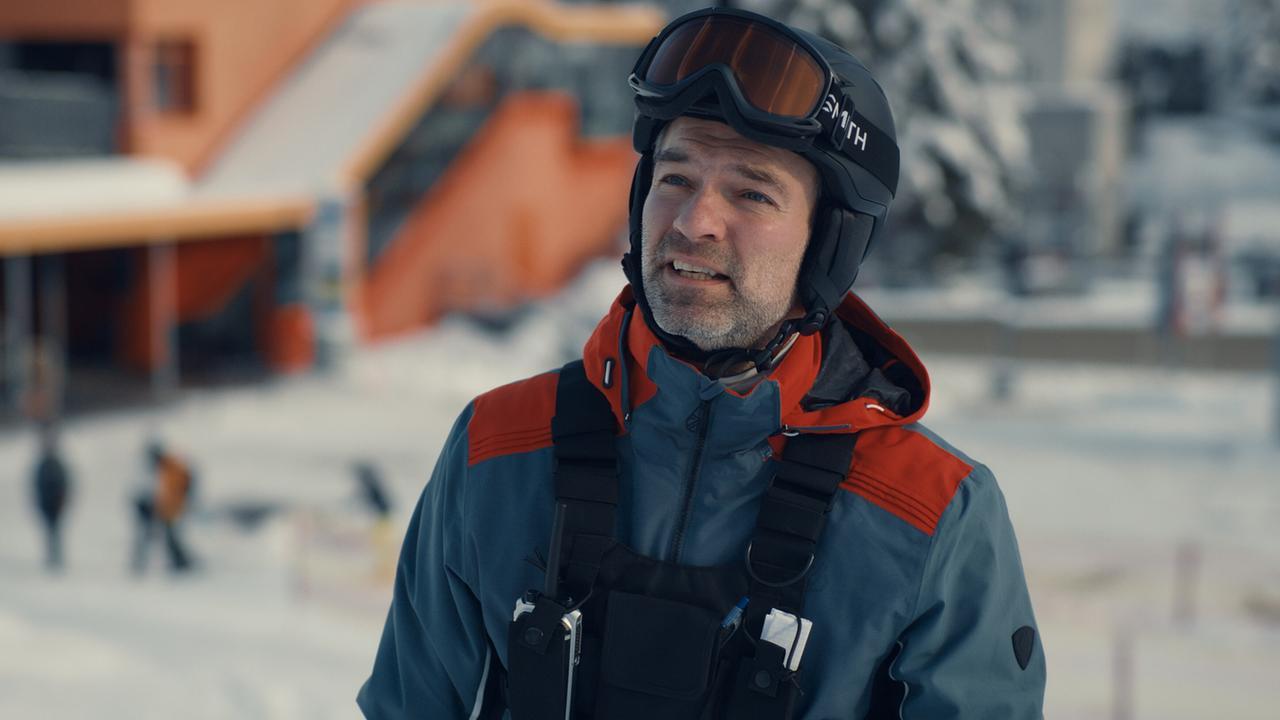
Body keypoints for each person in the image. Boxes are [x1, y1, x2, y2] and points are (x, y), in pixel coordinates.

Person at [359, 7, 1045, 719]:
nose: (693, 221)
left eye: (752, 192)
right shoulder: (497, 450)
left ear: (827, 244)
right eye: (675, 178)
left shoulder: (931, 511)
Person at [131, 441, 197, 574]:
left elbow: (178, 488)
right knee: (170, 538)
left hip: (171, 508)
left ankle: (182, 563)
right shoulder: (165, 467)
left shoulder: (171, 466)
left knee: (171, 538)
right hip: (167, 508)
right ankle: (180, 563)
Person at [31, 425, 72, 571]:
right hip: (47, 503)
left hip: (55, 502)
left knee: (55, 530)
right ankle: (52, 556)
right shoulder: (43, 464)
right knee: (50, 531)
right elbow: (37, 484)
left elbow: (65, 483)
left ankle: (56, 556)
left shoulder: (56, 464)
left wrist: (63, 499)